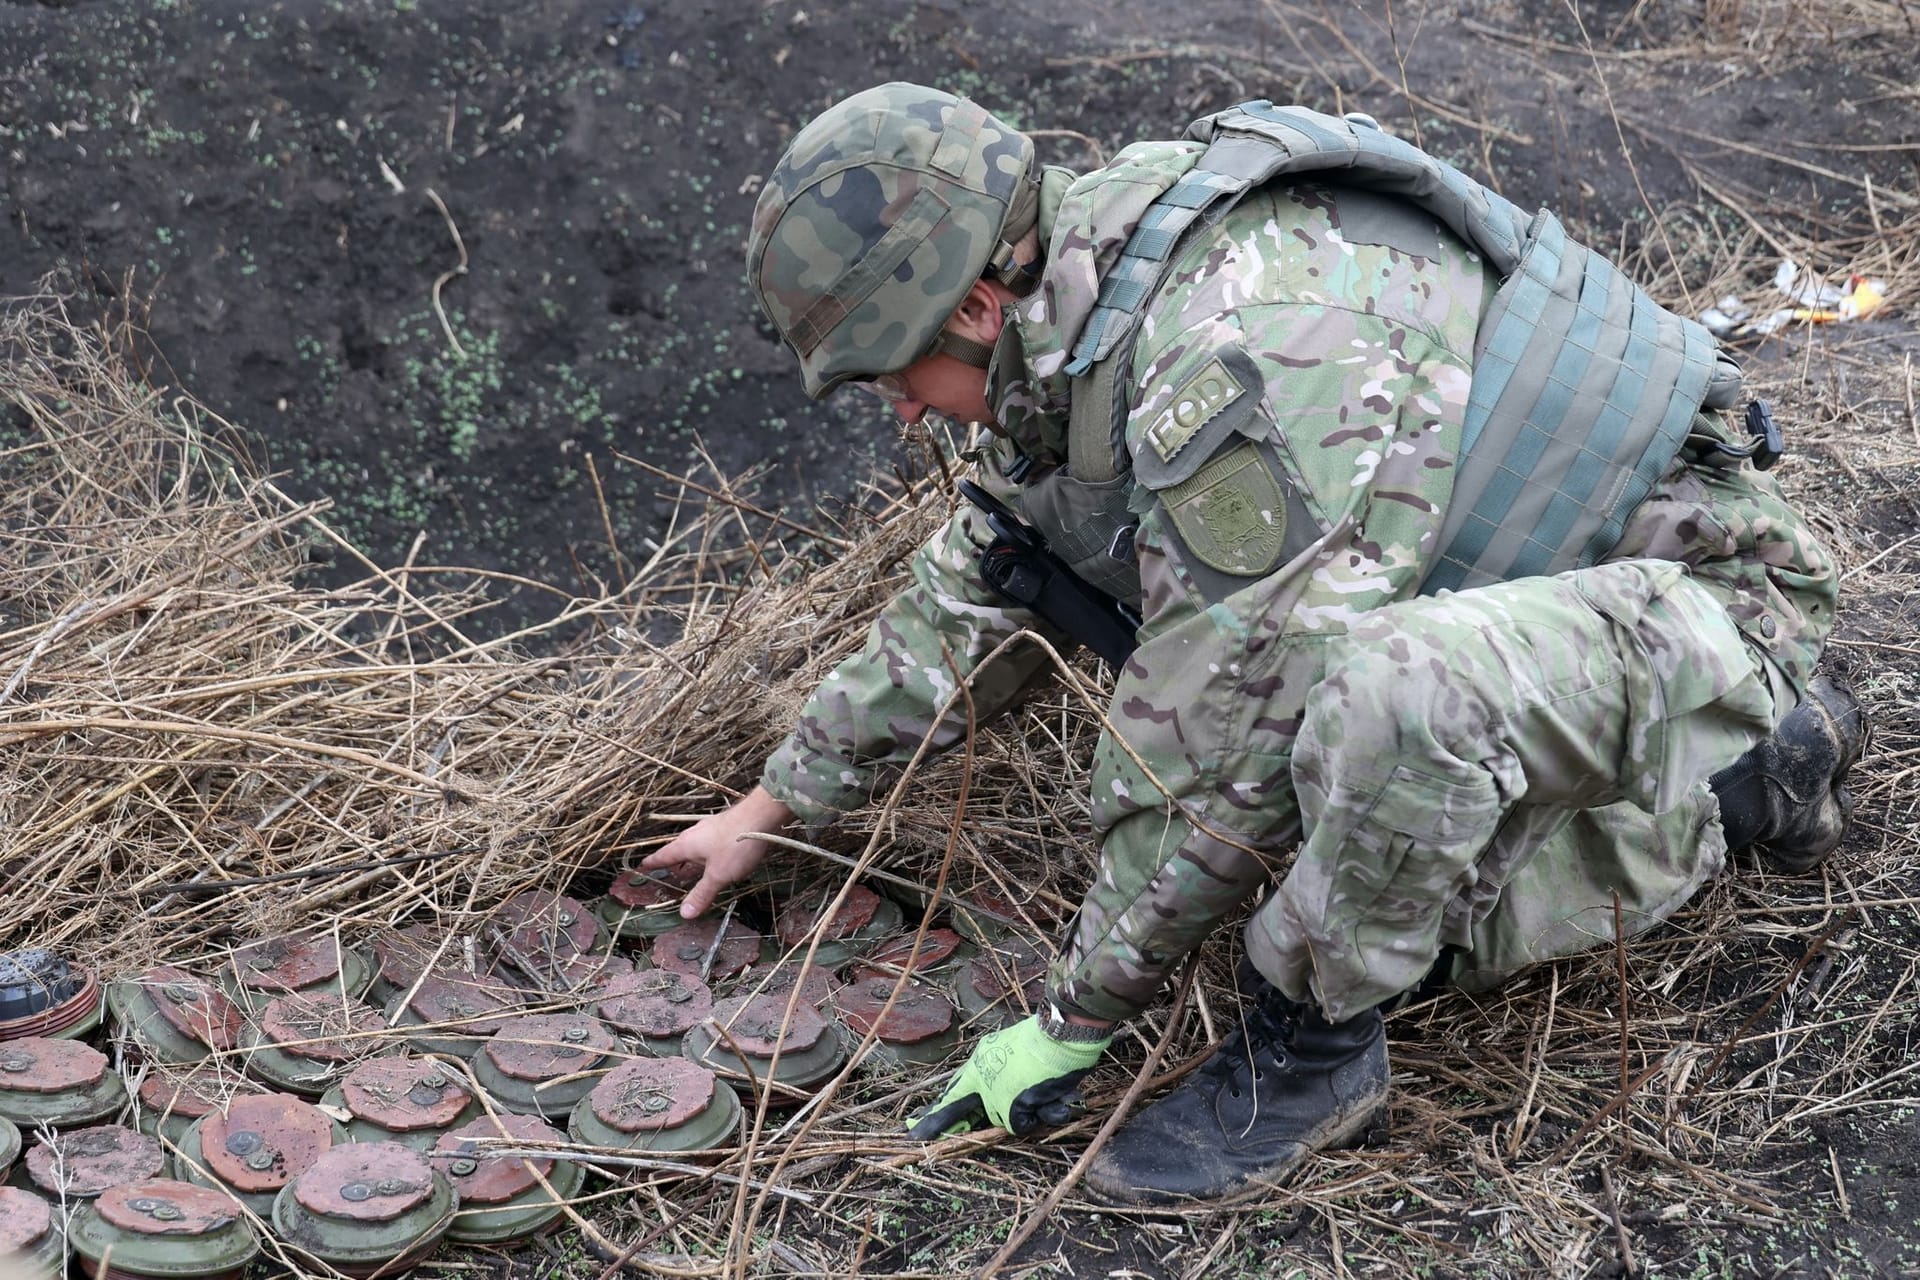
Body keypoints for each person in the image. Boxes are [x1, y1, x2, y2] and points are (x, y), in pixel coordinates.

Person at [643, 83, 1865, 1205]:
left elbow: (1234, 732)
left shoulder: (1242, 345)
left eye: (888, 373)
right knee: (1364, 813)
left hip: (1701, 600)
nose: (900, 408)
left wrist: (1072, 1021)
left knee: (1391, 718)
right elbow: (982, 572)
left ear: (970, 304)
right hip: (1554, 600)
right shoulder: (1089, 294)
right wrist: (774, 806)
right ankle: (1737, 775)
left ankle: (1321, 1047)